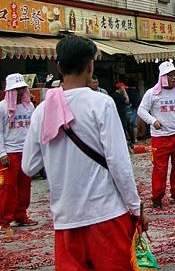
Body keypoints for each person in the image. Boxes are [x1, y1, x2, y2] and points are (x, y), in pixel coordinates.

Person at [21, 35, 147, 270]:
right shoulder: (101, 103)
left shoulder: (42, 111)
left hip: (66, 220)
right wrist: (135, 206)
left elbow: (29, 166)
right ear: (91, 65)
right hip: (106, 215)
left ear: (59, 67)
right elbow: (119, 164)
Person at [138, 61, 175, 209]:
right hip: (160, 137)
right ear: (162, 76)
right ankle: (157, 197)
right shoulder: (152, 93)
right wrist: (152, 121)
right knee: (160, 168)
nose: (174, 78)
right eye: (170, 75)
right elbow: (141, 110)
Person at [0, 73, 37, 238]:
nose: (21, 92)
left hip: (26, 151)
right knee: (8, 187)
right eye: (17, 89)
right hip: (9, 153)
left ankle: (20, 216)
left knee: (24, 185)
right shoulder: (1, 107)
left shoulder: (29, 107)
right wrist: (2, 153)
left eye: (22, 88)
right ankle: (4, 221)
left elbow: (34, 130)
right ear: (9, 91)